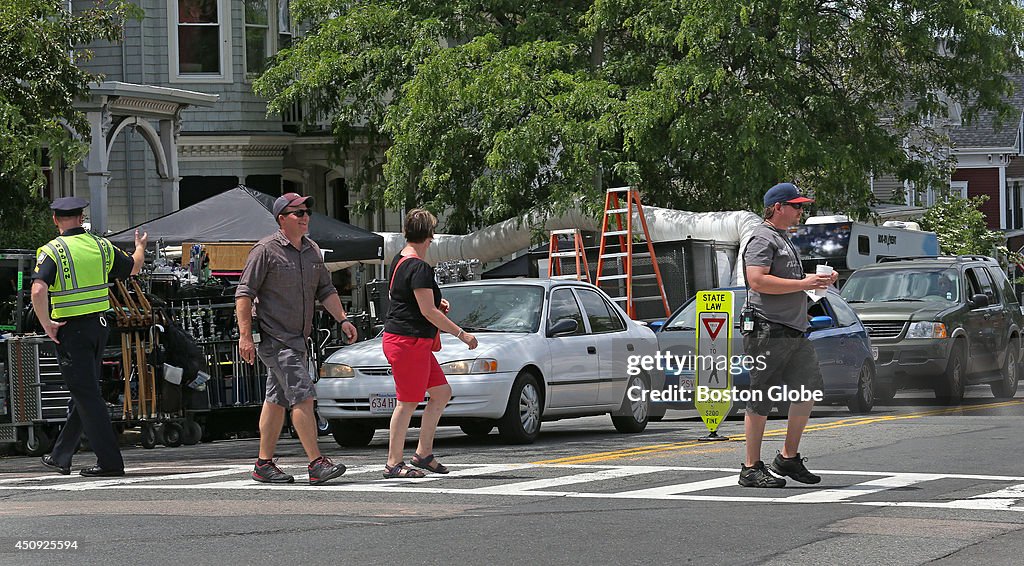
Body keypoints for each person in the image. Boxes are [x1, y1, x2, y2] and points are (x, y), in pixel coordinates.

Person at [236, 193, 357, 485]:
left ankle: (263, 464)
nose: (305, 216)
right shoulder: (265, 250)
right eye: (297, 212)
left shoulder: (312, 250)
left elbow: (326, 290)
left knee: (276, 400)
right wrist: (245, 337)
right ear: (282, 219)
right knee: (303, 395)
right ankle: (316, 462)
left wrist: (343, 319)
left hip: (297, 339)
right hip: (275, 338)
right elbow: (244, 294)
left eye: (306, 211)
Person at [31, 197, 147, 477]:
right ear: (81, 218)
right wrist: (140, 247)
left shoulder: (53, 250)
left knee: (87, 396)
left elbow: (37, 290)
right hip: (100, 326)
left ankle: (110, 462)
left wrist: (46, 323)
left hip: (71, 331)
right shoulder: (101, 245)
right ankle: (61, 455)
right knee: (84, 394)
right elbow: (134, 267)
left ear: (55, 220)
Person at [739, 182, 837, 488]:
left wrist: (818, 280)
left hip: (794, 329)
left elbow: (788, 281)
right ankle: (750, 467)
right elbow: (757, 281)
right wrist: (804, 284)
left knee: (807, 391)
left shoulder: (782, 239)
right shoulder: (761, 237)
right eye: (796, 206)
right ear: (778, 207)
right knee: (761, 397)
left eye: (801, 206)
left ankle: (788, 457)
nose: (800, 211)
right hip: (768, 328)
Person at [381, 209, 478, 478]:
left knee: (441, 393)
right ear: (429, 237)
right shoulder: (419, 267)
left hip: (412, 341)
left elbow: (412, 300)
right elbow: (427, 312)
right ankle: (393, 463)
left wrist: (436, 302)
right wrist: (462, 334)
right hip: (407, 341)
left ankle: (423, 453)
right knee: (407, 402)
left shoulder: (400, 260)